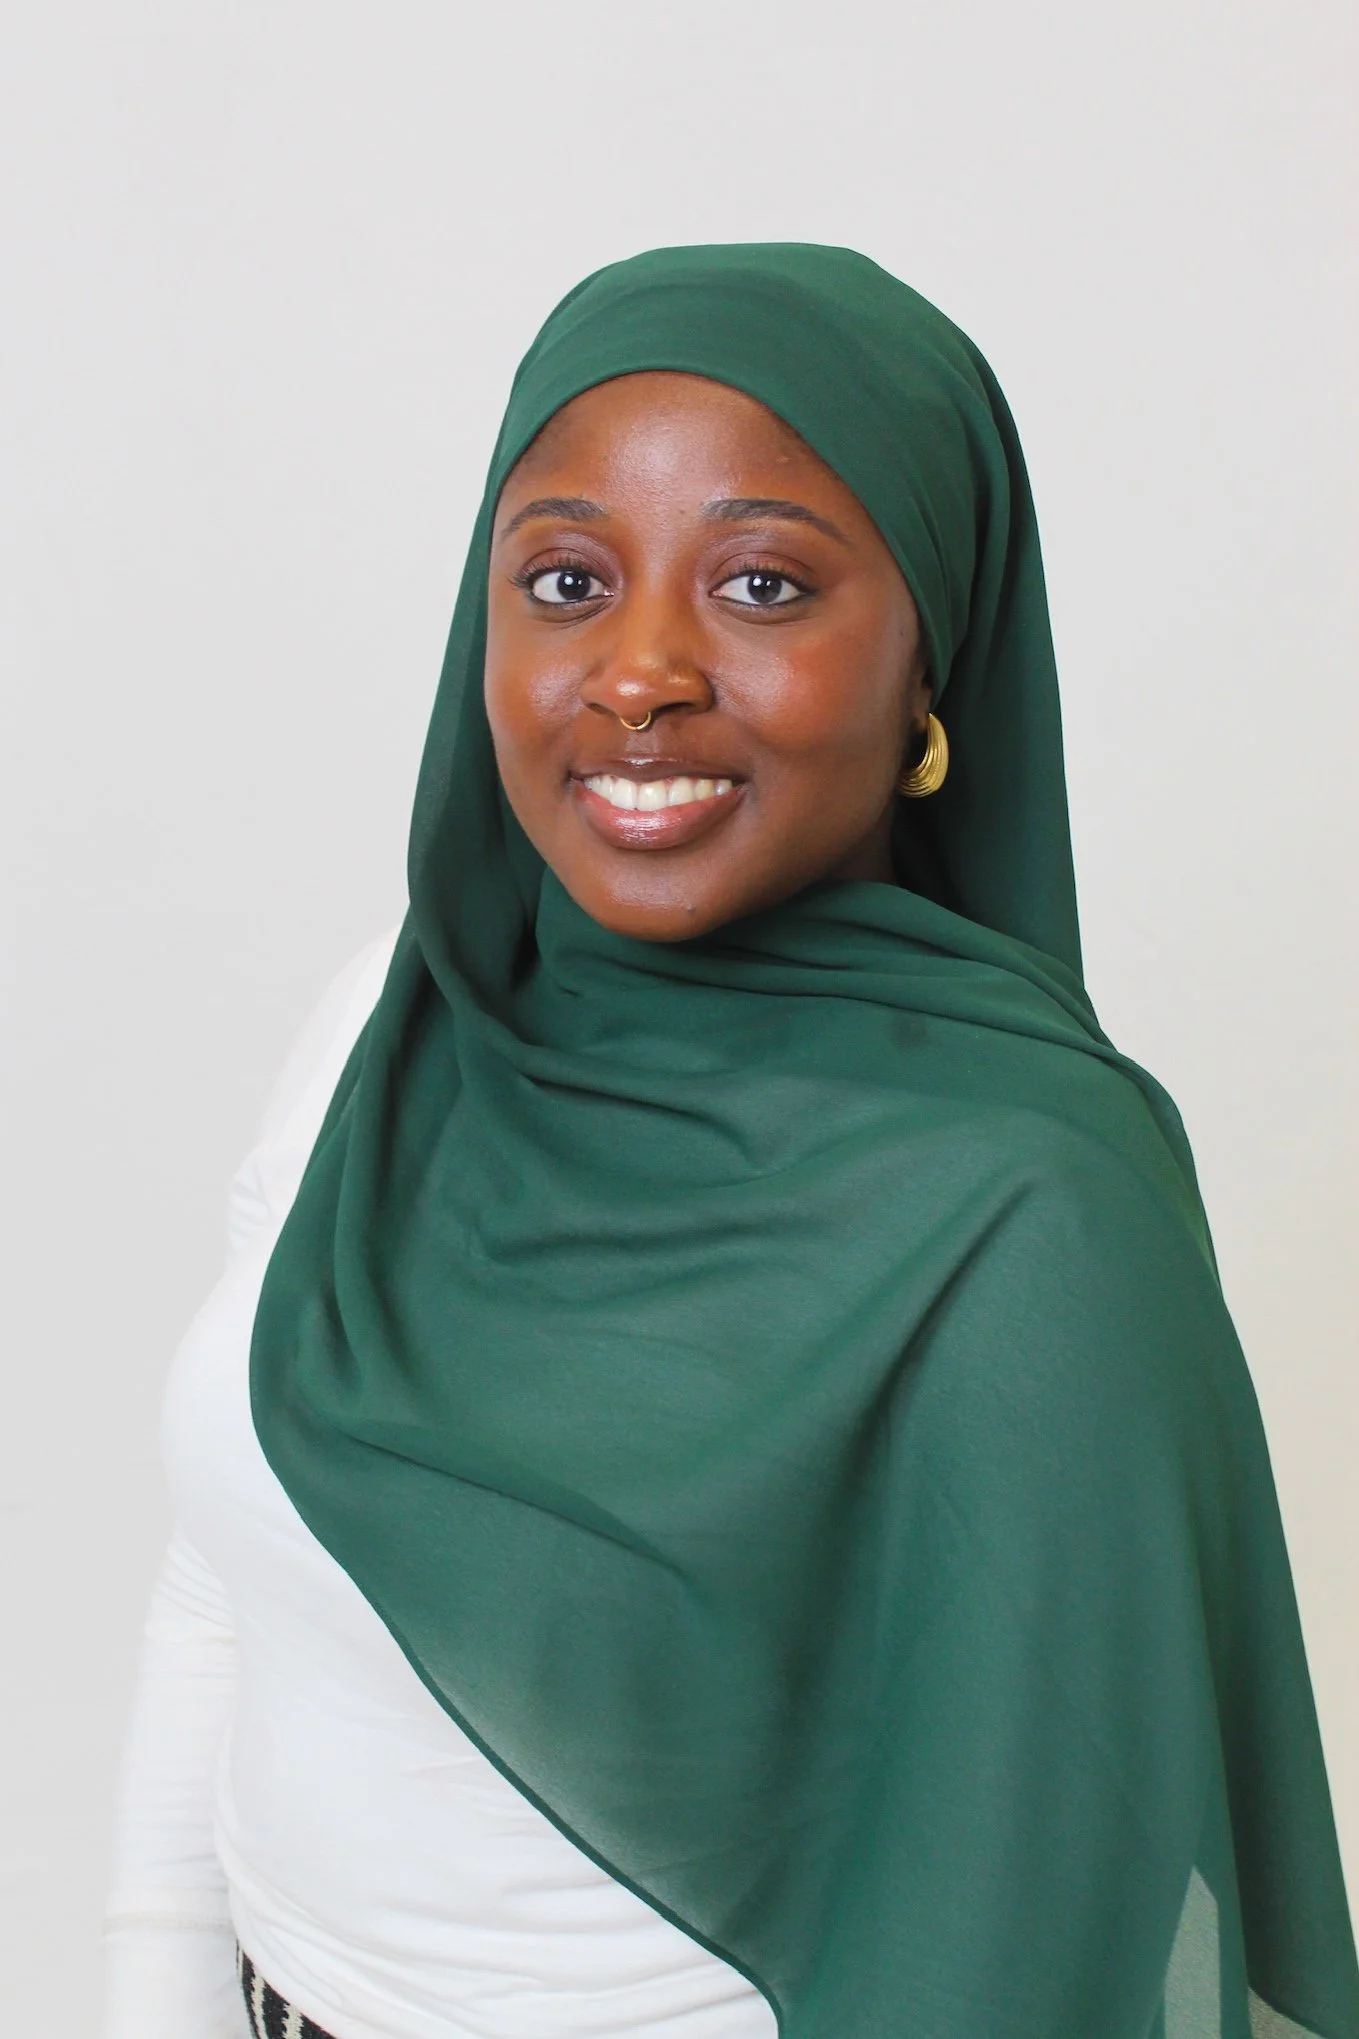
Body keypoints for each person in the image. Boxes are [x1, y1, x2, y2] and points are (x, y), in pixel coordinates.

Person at [103, 244, 1359, 2039]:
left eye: (761, 583)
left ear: (934, 659)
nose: (636, 674)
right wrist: (142, 1980)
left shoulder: (1025, 1211)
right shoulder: (402, 1023)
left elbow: (1042, 1904)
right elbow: (225, 1567)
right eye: (562, 579)